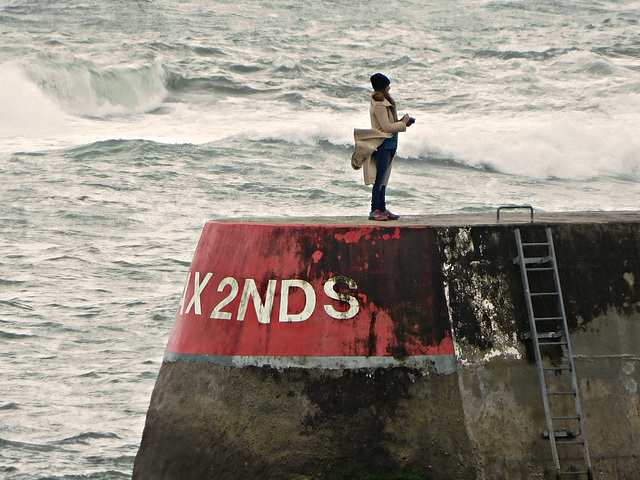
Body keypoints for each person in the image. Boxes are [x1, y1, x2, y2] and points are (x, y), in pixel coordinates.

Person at [367, 72, 413, 221]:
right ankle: (375, 210)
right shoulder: (379, 104)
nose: (389, 88)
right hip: (383, 143)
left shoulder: (387, 101)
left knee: (384, 179)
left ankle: (383, 208)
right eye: (387, 86)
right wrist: (403, 124)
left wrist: (402, 122)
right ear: (382, 88)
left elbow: (391, 123)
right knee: (379, 179)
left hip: (391, 143)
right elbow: (386, 127)